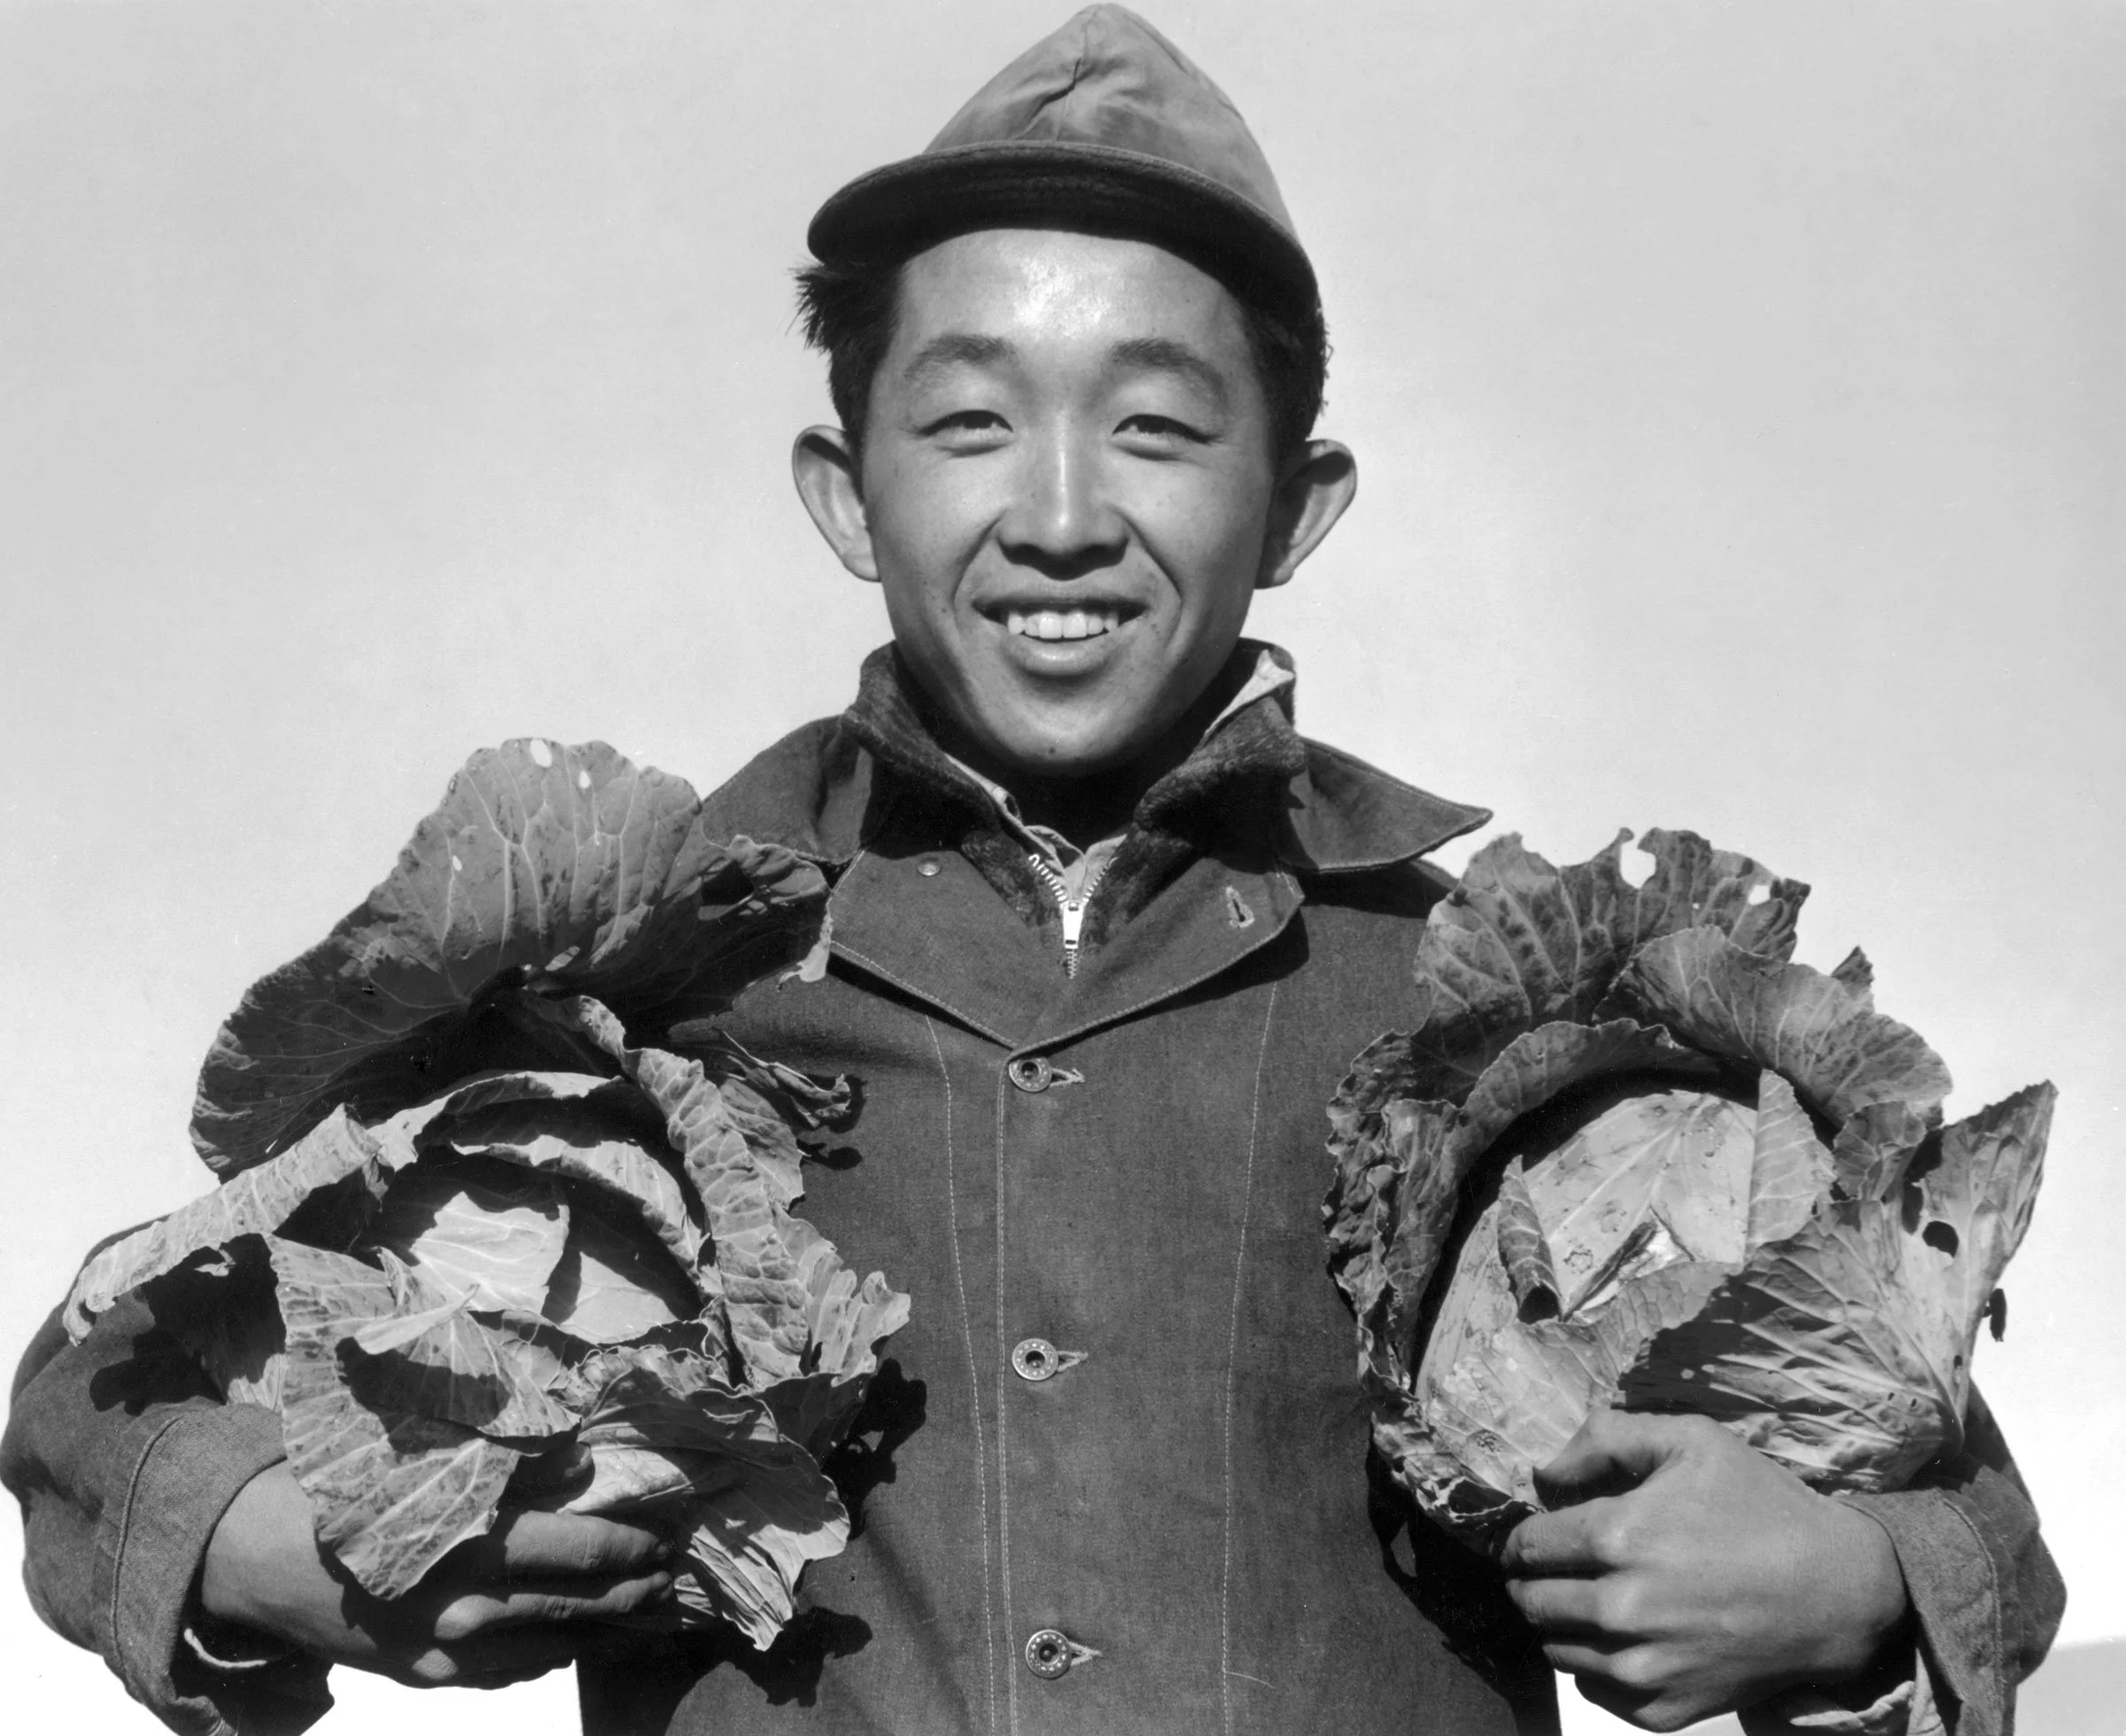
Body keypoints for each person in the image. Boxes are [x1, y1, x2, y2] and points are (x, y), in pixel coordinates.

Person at [3, 9, 2061, 1736]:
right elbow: (97, 1394)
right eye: (970, 420)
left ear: (1298, 503)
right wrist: (265, 1531)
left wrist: (1860, 1586)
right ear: (847, 491)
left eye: (1158, 428)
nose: (1062, 511)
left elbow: (1959, 1505)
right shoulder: (624, 983)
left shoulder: (1501, 1025)